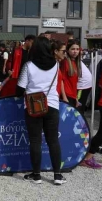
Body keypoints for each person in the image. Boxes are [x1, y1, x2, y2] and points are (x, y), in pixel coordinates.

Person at [16, 36, 66, 185]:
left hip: (33, 107)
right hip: (52, 105)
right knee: (53, 140)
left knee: (35, 140)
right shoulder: (56, 65)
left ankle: (36, 175)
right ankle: (57, 175)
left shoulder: (29, 66)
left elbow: (19, 89)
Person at [60, 39, 82, 108]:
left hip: (73, 96)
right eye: (73, 49)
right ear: (68, 50)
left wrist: (76, 98)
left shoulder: (76, 63)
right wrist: (64, 97)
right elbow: (61, 81)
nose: (75, 51)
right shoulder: (65, 62)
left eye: (77, 49)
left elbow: (74, 83)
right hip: (67, 96)